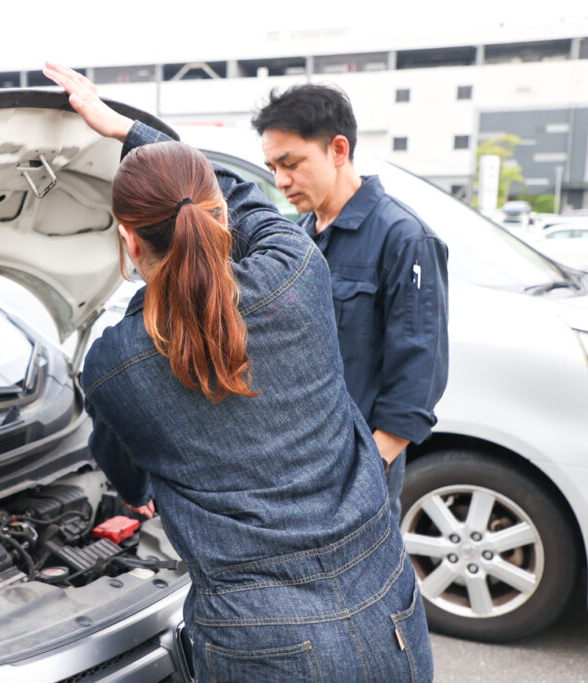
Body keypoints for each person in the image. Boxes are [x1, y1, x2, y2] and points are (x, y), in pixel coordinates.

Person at [44, 63, 432, 682]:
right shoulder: (297, 271)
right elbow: (246, 199)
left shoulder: (114, 367)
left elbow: (129, 481)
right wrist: (127, 131)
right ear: (219, 214)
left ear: (128, 238)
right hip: (390, 603)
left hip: (261, 641)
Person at [252, 85, 449, 524]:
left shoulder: (404, 238)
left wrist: (367, 468)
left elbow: (419, 374)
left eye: (291, 163)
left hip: (356, 471)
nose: (281, 181)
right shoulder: (298, 239)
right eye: (272, 167)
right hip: (291, 464)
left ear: (338, 150)